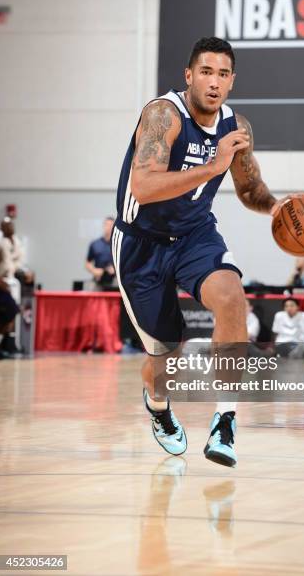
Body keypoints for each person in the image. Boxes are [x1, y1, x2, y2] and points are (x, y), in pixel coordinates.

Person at [112, 37, 283, 468]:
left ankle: (225, 417)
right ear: (189, 76)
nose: (214, 82)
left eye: (223, 74)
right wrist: (211, 166)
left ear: (232, 81)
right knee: (164, 359)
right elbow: (144, 186)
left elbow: (249, 189)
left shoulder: (235, 127)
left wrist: (276, 206)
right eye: (206, 72)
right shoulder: (162, 115)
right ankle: (157, 405)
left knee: (231, 296)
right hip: (141, 243)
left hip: (194, 235)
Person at [85, 217, 116, 290]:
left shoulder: (118, 245)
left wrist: (116, 270)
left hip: (115, 280)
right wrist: (94, 271)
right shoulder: (95, 244)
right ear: (103, 226)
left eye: (111, 225)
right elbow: (88, 263)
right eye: (107, 224)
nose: (108, 227)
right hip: (99, 280)